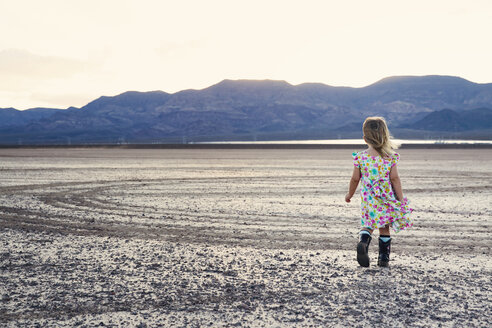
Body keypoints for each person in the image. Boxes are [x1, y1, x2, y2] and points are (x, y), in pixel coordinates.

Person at [345, 116, 413, 267]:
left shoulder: (361, 157)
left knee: (367, 224)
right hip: (385, 198)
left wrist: (349, 194)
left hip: (369, 199)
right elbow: (395, 179)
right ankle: (383, 258)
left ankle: (363, 241)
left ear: (364, 138)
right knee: (384, 227)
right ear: (385, 136)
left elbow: (355, 179)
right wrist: (401, 199)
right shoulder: (390, 157)